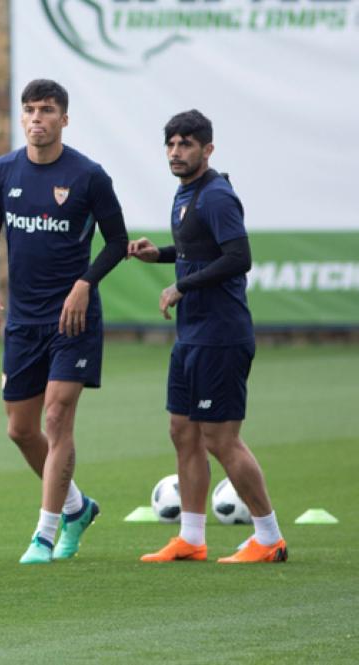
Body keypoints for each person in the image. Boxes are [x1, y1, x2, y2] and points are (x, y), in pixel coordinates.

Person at [0, 79, 129, 564]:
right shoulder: (4, 171)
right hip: (24, 320)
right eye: (29, 110)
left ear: (64, 119)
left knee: (57, 417)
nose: (37, 118)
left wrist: (86, 283)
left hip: (72, 319)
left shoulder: (88, 176)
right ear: (21, 118)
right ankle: (77, 507)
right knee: (20, 430)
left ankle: (45, 532)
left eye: (47, 110)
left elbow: (118, 241)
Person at [130, 110, 288, 564]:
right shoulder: (187, 194)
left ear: (207, 149)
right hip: (192, 336)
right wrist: (158, 255)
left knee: (221, 438)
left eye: (187, 144)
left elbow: (239, 257)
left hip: (221, 335)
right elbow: (196, 253)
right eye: (172, 144)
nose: (177, 152)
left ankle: (269, 536)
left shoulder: (217, 195)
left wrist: (181, 285)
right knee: (183, 432)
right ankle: (192, 538)